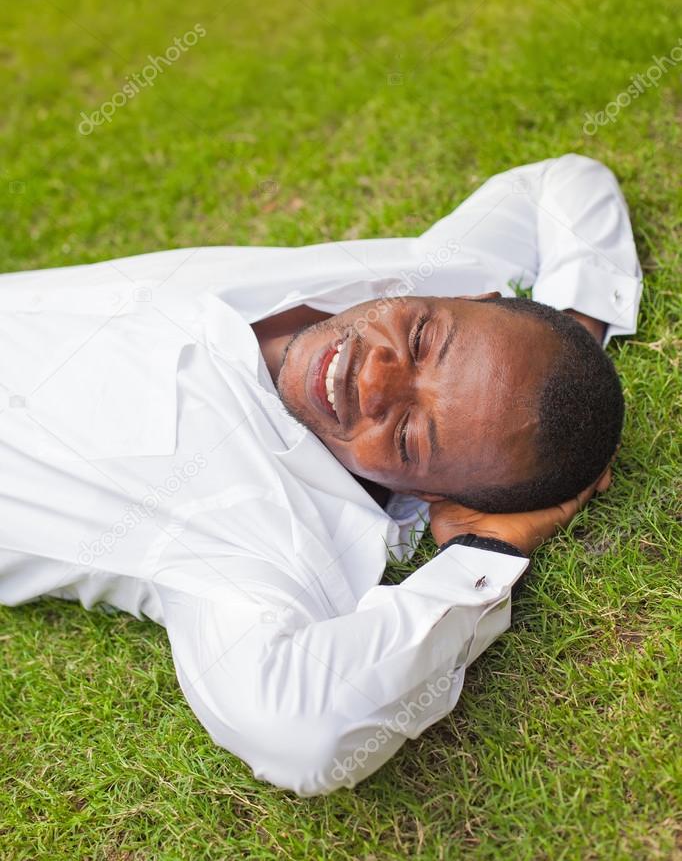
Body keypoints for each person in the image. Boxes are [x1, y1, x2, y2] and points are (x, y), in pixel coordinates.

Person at [0, 153, 642, 795]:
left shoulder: (265, 541)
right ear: (474, 298)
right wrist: (573, 333)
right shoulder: (439, 274)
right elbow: (562, 183)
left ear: (428, 494)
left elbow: (300, 734)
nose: (371, 376)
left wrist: (487, 550)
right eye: (419, 340)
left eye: (410, 436)